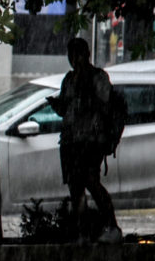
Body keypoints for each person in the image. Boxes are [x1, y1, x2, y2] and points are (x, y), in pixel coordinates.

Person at [47, 37, 121, 244]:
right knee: (75, 187)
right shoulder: (69, 79)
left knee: (91, 182)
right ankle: (83, 233)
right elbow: (65, 109)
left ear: (87, 55)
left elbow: (105, 105)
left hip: (91, 140)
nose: (74, 60)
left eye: (78, 55)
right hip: (71, 141)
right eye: (71, 56)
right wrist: (58, 105)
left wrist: (85, 95)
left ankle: (112, 226)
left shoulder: (98, 77)